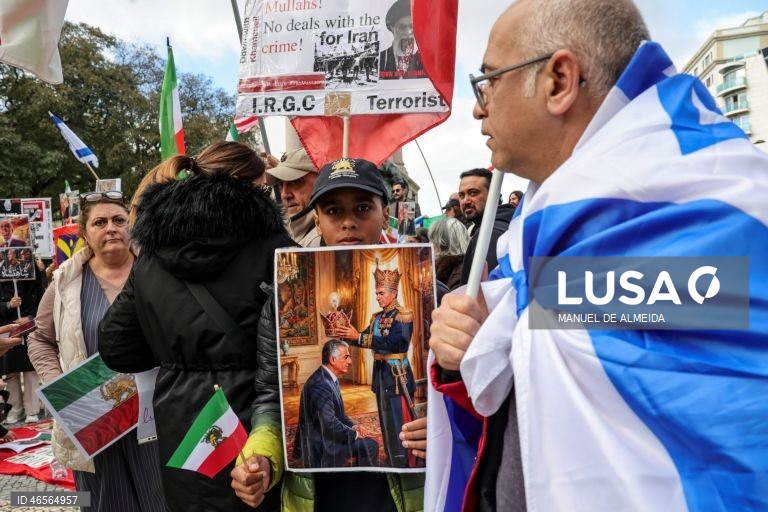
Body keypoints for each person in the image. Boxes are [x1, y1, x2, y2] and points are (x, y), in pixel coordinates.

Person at [427, 1, 768, 511]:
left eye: (489, 81)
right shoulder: (541, 223)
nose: (479, 107)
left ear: (559, 80)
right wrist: (477, 337)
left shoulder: (716, 204)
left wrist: (510, 319)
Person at [98, 142, 294, 512]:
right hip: (258, 410)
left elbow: (115, 344)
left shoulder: (152, 252)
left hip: (179, 413)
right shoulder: (276, 247)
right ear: (251, 186)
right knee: (257, 493)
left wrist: (173, 352)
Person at [232, 157, 425, 511]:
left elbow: (461, 395)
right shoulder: (279, 296)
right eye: (334, 211)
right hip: (319, 492)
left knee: (395, 425)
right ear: (317, 218)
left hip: (404, 490)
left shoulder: (431, 291)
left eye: (363, 208)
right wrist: (261, 454)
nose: (349, 222)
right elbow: (269, 397)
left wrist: (442, 429)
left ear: (385, 213)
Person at [27, 191, 167, 512]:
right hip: (93, 419)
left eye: (119, 220)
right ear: (84, 232)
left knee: (160, 499)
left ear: (131, 226)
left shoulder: (157, 273)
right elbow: (39, 339)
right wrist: (61, 388)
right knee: (105, 502)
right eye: (99, 222)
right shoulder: (65, 283)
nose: (111, 228)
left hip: (155, 415)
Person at [294, 339, 379, 468]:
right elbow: (329, 423)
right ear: (333, 359)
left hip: (323, 437)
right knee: (371, 446)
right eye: (346, 357)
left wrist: (354, 427)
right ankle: (362, 480)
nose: (350, 361)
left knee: (366, 442)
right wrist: (354, 435)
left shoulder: (328, 377)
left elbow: (340, 416)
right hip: (321, 446)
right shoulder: (321, 384)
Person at [457, 168, 515, 285]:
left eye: (473, 193)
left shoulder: (491, 233)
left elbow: (489, 292)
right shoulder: (490, 229)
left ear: (494, 195)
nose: (466, 201)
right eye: (462, 195)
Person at [265, 148, 321, 247]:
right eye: (281, 185)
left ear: (320, 181)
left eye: (295, 182)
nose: (284, 195)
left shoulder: (320, 241)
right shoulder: (291, 230)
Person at [378, 0, 425, 80]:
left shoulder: (425, 60)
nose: (407, 32)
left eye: (412, 27)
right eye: (402, 27)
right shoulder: (381, 59)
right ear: (392, 28)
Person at [428, 217, 470, 291]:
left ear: (443, 242)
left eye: (433, 240)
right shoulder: (467, 263)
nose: (430, 244)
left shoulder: (456, 271)